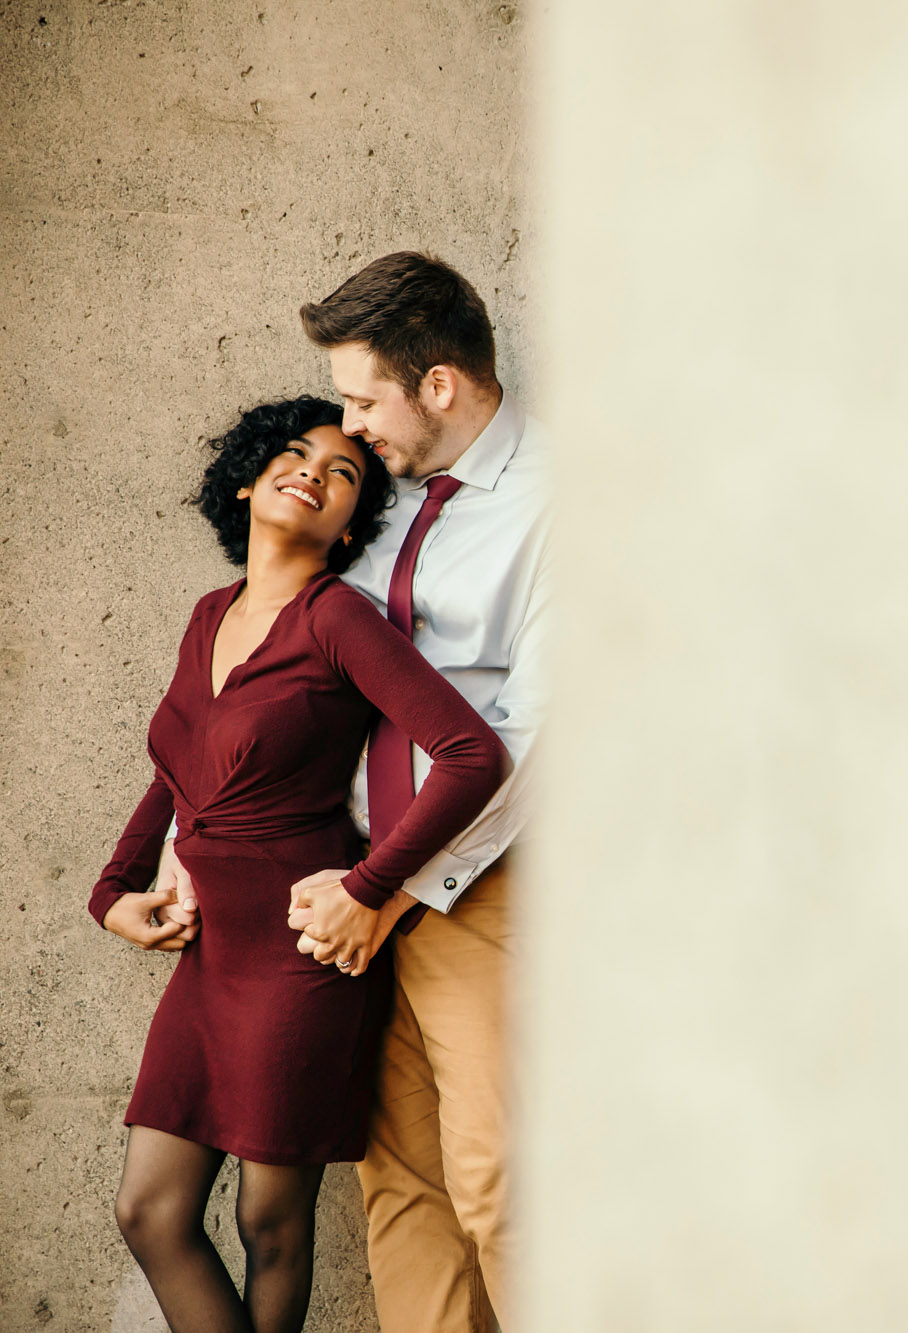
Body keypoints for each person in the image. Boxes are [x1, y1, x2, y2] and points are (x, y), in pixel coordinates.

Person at [158, 252, 551, 1331]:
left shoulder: (566, 502)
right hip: (337, 893)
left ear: (437, 385)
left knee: (503, 1183)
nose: (348, 422)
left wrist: (390, 882)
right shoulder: (372, 501)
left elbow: (531, 733)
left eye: (363, 395)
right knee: (401, 1188)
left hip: (472, 884)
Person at [90, 397, 510, 1333]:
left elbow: (472, 756)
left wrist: (370, 886)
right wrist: (111, 892)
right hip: (209, 960)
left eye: (344, 472)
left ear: (350, 522)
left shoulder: (337, 617)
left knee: (266, 1219)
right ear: (245, 478)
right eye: (294, 453)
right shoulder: (210, 614)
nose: (314, 472)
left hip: (298, 955)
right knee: (151, 1212)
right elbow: (177, 766)